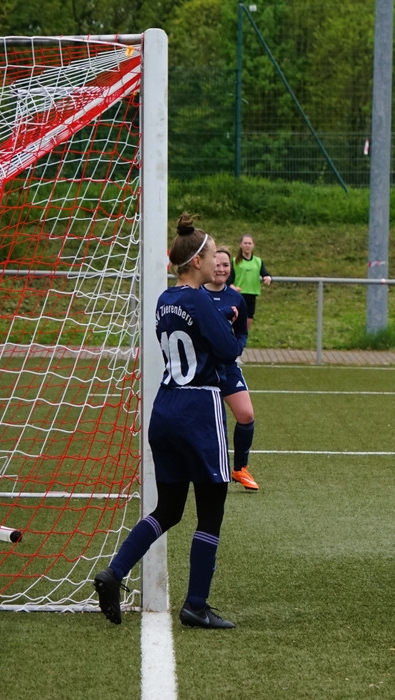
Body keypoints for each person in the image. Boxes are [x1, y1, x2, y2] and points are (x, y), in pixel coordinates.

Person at [93, 213, 242, 629]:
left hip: (166, 407)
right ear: (196, 261)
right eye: (213, 255)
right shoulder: (198, 299)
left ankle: (114, 571)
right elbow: (228, 350)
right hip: (199, 408)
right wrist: (227, 324)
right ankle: (196, 605)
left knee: (169, 508)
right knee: (210, 511)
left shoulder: (164, 298)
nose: (217, 261)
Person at [205, 245, 259, 491]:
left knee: (246, 415)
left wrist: (236, 348)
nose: (221, 268)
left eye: (226, 265)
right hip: (203, 369)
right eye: (217, 263)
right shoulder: (196, 295)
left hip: (227, 367)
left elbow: (242, 332)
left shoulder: (236, 297)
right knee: (204, 423)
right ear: (207, 264)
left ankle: (240, 468)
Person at [231, 234, 272, 333]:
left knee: (248, 321)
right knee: (236, 321)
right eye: (245, 243)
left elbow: (265, 273)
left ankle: (242, 341)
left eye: (249, 243)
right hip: (238, 295)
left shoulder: (258, 261)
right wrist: (233, 287)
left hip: (251, 294)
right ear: (241, 245)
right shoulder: (235, 261)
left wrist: (267, 278)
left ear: (253, 245)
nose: (247, 245)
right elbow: (228, 280)